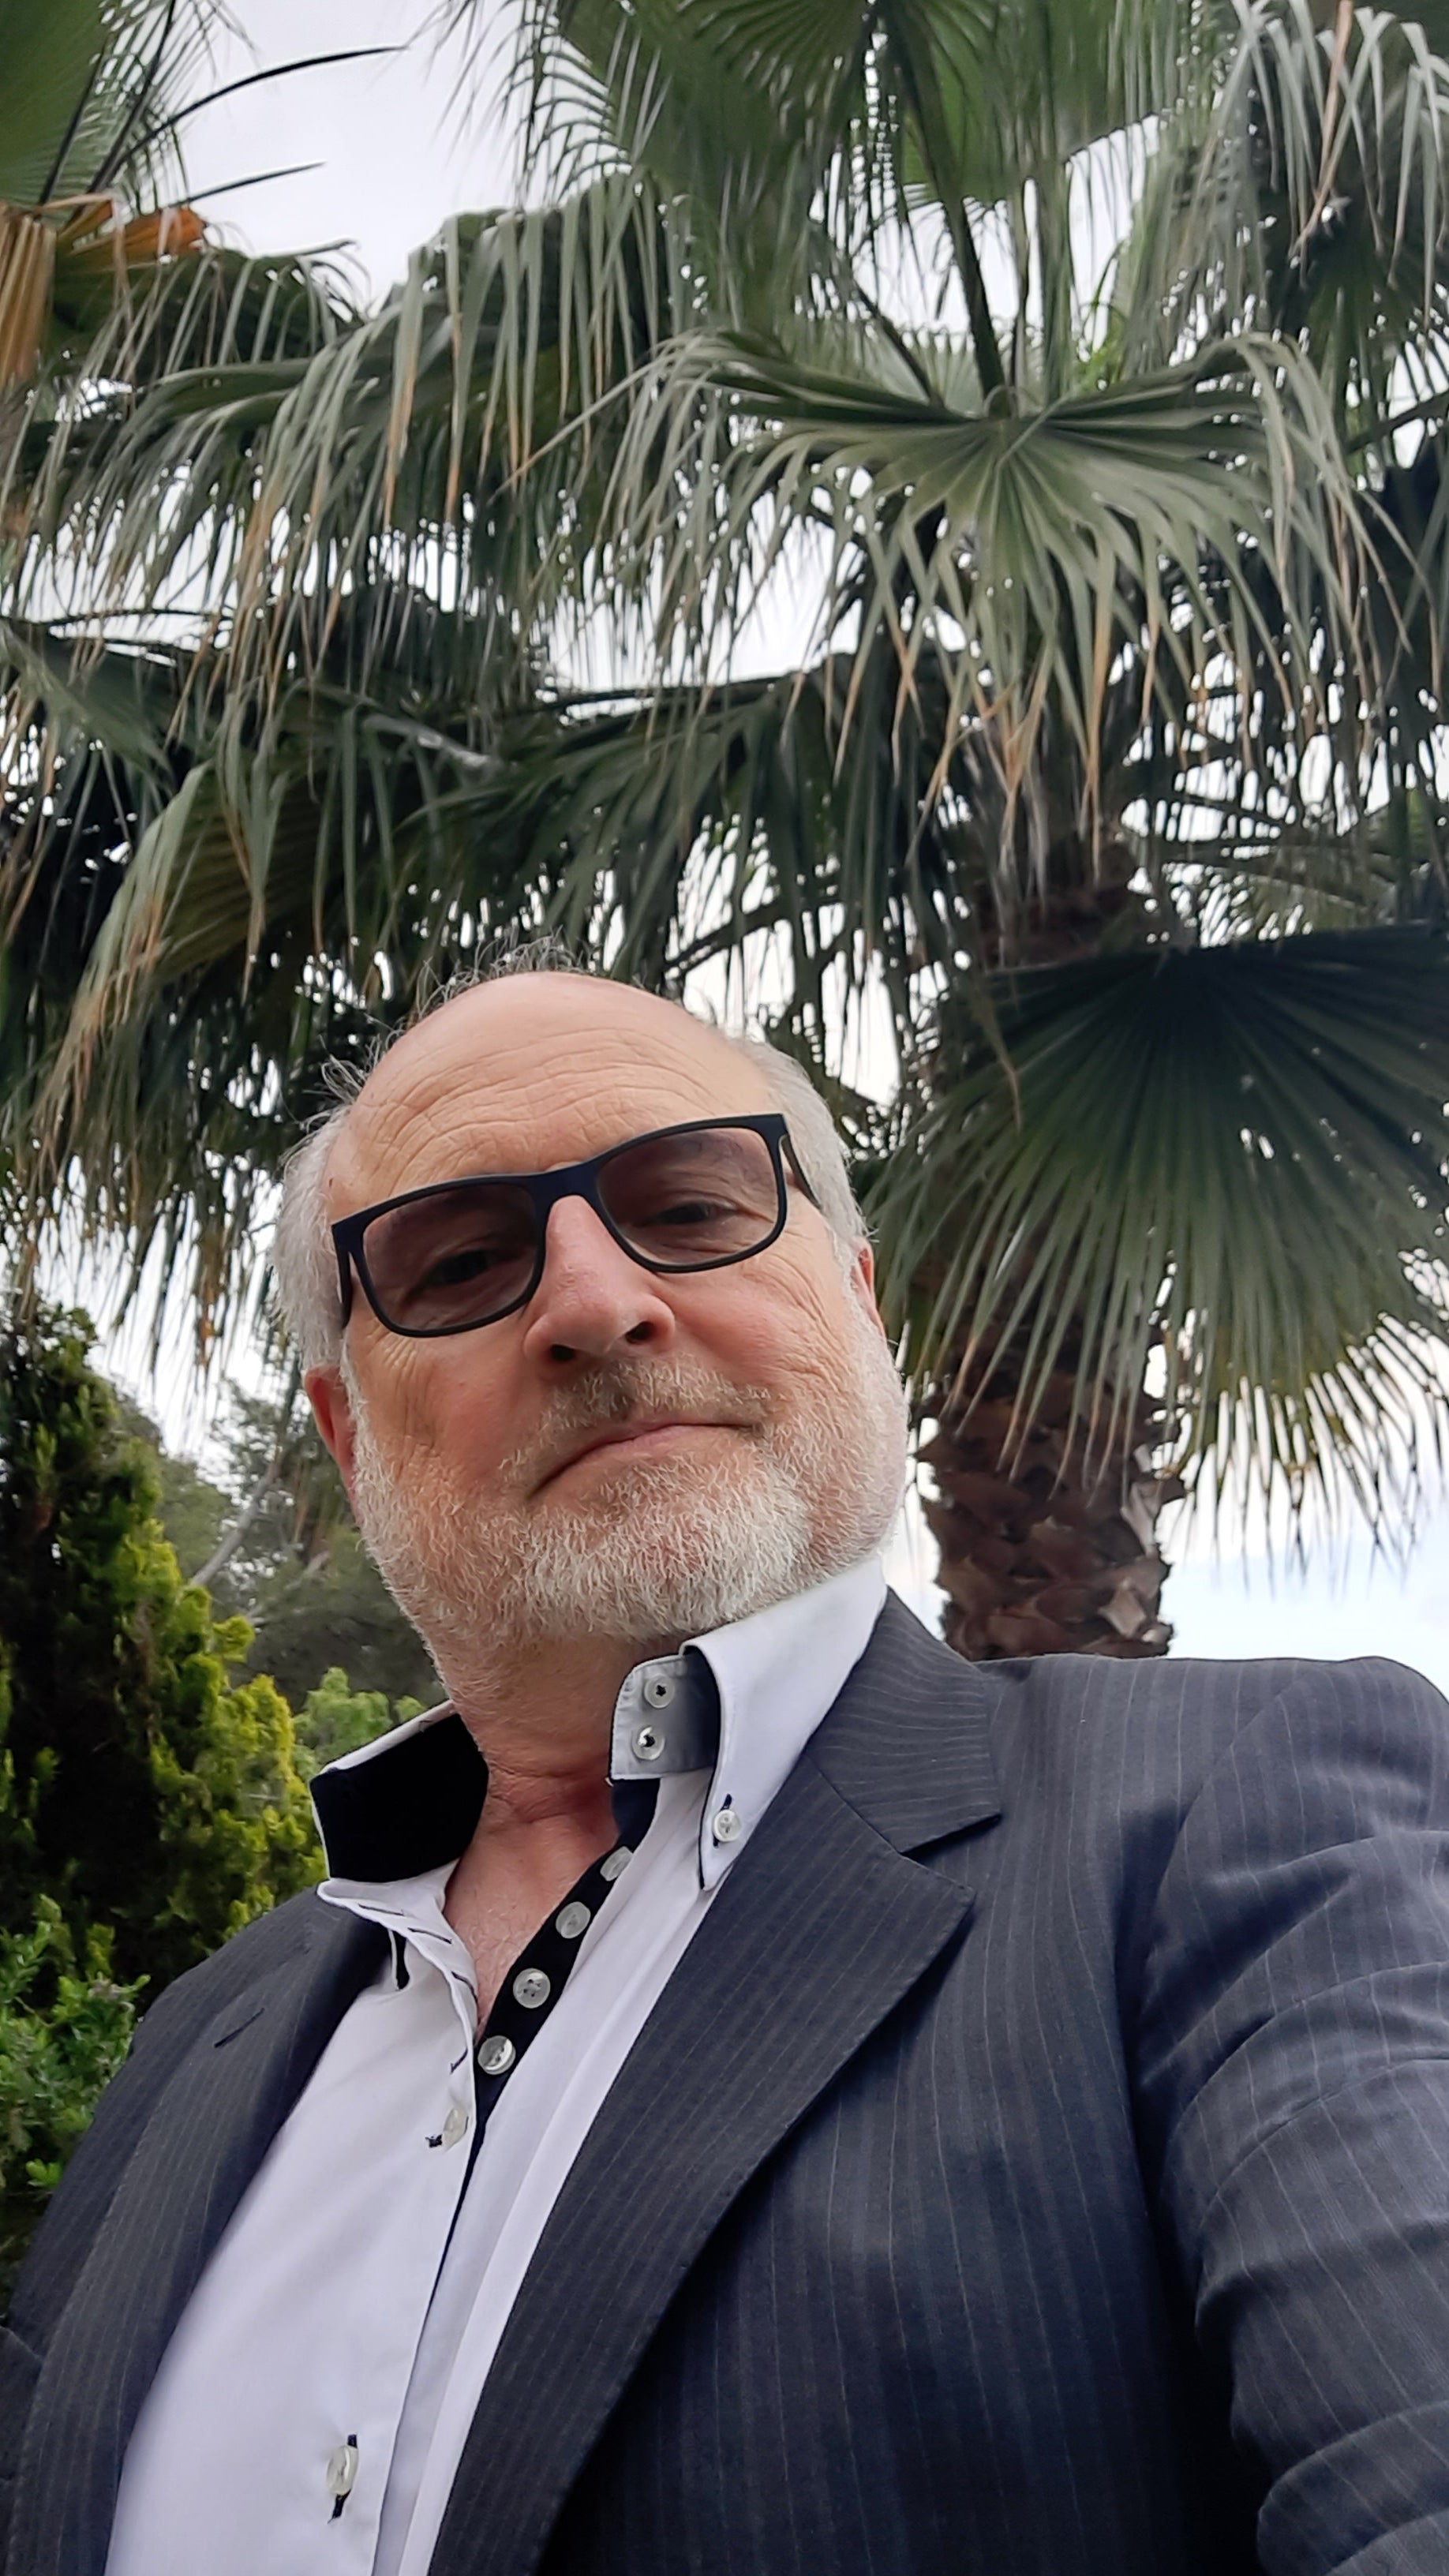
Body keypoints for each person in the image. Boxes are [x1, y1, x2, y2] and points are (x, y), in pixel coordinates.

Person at [5, 959, 1449, 2576]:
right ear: (350, 1438)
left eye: (690, 1208)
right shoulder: (197, 2039)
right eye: (462, 1261)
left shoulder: (1240, 1815)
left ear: (857, 1300)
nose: (593, 1302)